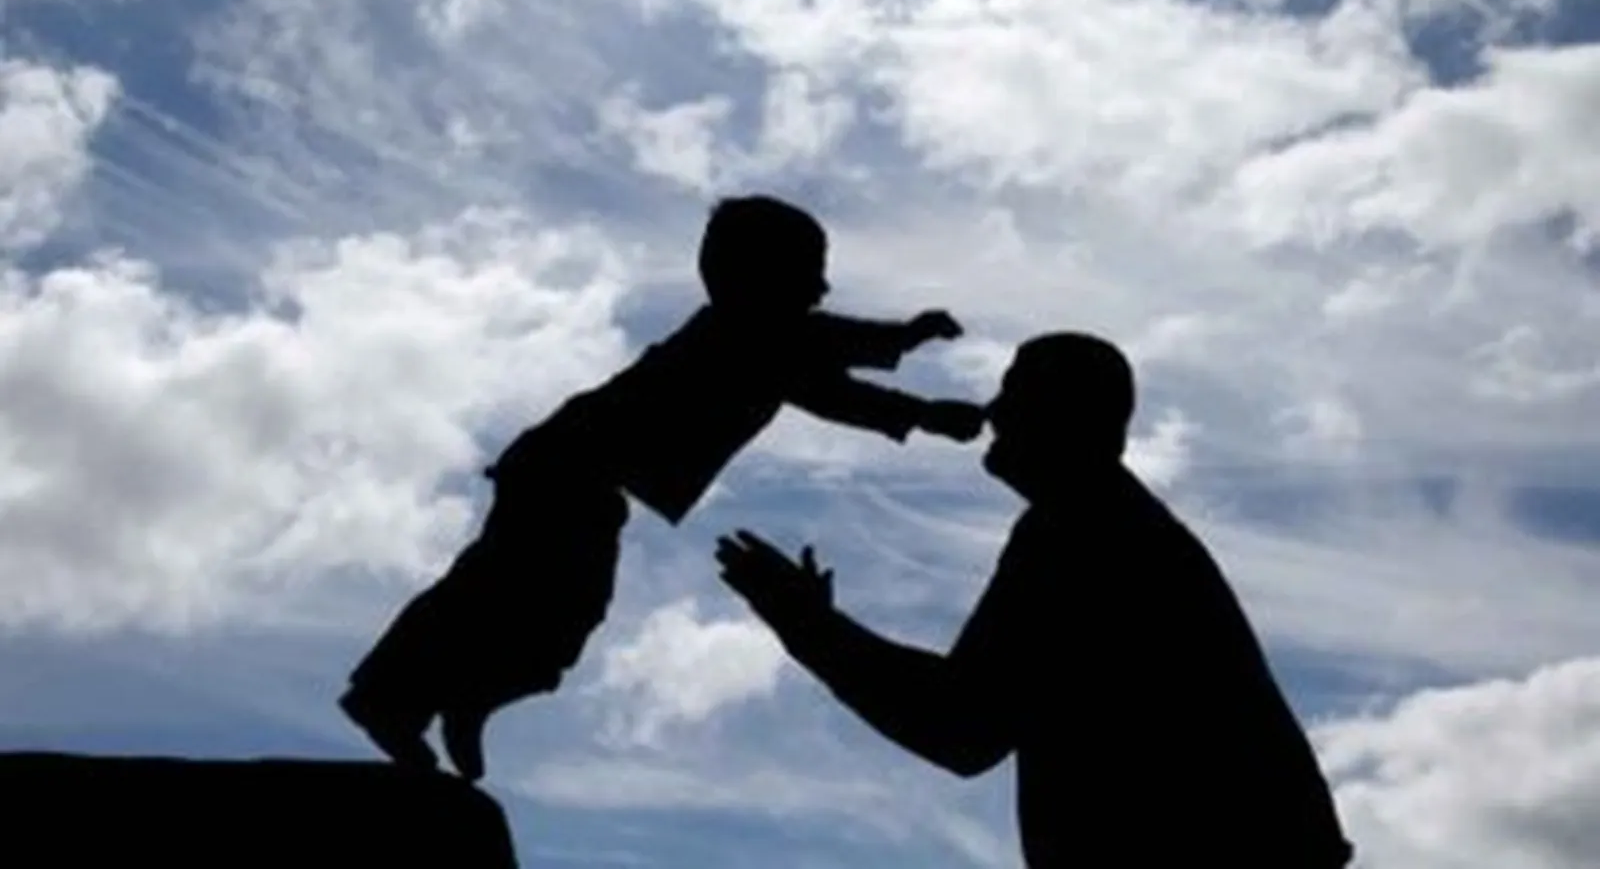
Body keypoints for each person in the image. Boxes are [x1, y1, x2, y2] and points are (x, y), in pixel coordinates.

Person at [340, 194, 988, 782]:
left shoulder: (767, 347)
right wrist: (911, 352)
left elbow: (822, 383)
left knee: (551, 620)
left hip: (584, 484)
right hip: (561, 470)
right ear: (752, 277)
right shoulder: (739, 332)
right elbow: (822, 361)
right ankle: (392, 698)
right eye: (808, 272)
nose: (821, 288)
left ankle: (461, 694)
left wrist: (922, 406)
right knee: (499, 593)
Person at [715, 331, 1356, 867]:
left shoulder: (1084, 533)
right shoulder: (1101, 525)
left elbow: (961, 726)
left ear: (1065, 416)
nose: (995, 411)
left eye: (1016, 394)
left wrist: (805, 624)